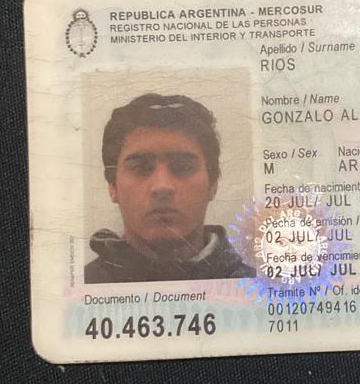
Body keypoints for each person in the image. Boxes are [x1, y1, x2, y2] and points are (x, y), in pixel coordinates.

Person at [84, 93, 252, 283]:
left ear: (213, 184)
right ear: (112, 186)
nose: (162, 186)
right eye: (140, 168)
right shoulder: (80, 287)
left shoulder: (255, 290)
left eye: (183, 167)